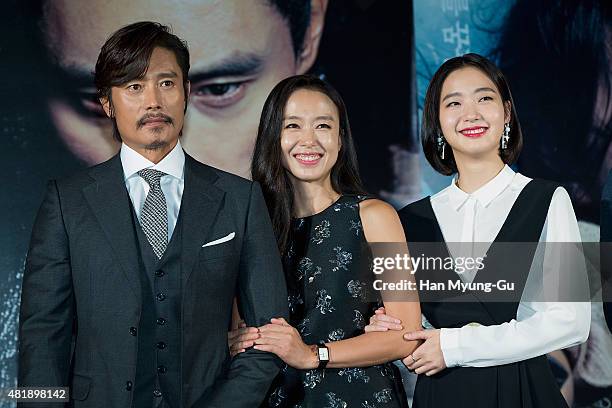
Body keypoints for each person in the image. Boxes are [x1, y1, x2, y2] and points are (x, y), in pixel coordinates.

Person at [18, 22, 288, 408]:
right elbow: (41, 336)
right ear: (107, 103)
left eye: (166, 83)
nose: (153, 102)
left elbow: (270, 334)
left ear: (186, 92)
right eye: (133, 87)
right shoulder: (67, 201)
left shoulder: (239, 199)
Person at [366, 53, 591, 407]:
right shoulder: (411, 220)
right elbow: (409, 327)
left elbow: (571, 322)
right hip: (441, 394)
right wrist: (389, 330)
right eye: (453, 103)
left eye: (484, 98)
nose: (470, 113)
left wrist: (455, 347)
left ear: (506, 112)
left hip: (522, 390)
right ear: (437, 124)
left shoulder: (546, 199)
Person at [228, 75, 422, 407]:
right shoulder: (251, 223)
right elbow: (239, 331)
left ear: (340, 139)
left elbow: (406, 336)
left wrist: (311, 354)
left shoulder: (376, 216)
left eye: (323, 126)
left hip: (364, 397)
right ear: (272, 137)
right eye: (292, 126)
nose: (309, 140)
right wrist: (236, 342)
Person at [30, 0, 327, 178]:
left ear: (309, 33)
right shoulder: (62, 217)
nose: (163, 146)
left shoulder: (367, 230)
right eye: (105, 98)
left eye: (219, 90)